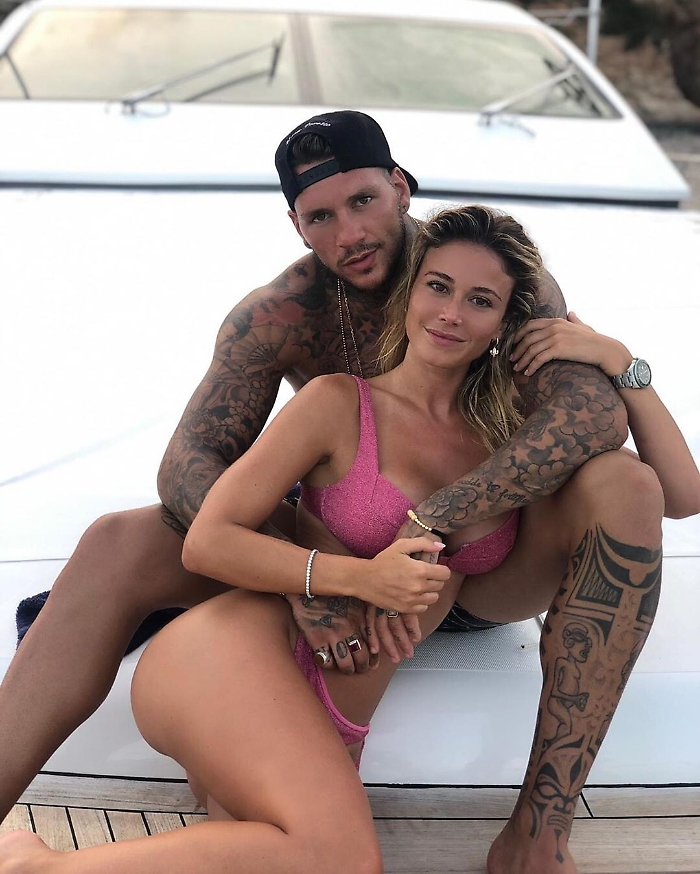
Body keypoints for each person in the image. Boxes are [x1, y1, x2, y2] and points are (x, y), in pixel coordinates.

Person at [0, 110, 693, 872]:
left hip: (482, 568)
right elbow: (188, 465)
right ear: (296, 226)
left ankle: (541, 831)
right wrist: (309, 579)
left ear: (400, 188)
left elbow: (591, 416)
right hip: (343, 555)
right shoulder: (285, 316)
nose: (349, 233)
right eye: (320, 217)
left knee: (625, 484)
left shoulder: (481, 269)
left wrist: (436, 518)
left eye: (363, 201)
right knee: (117, 541)